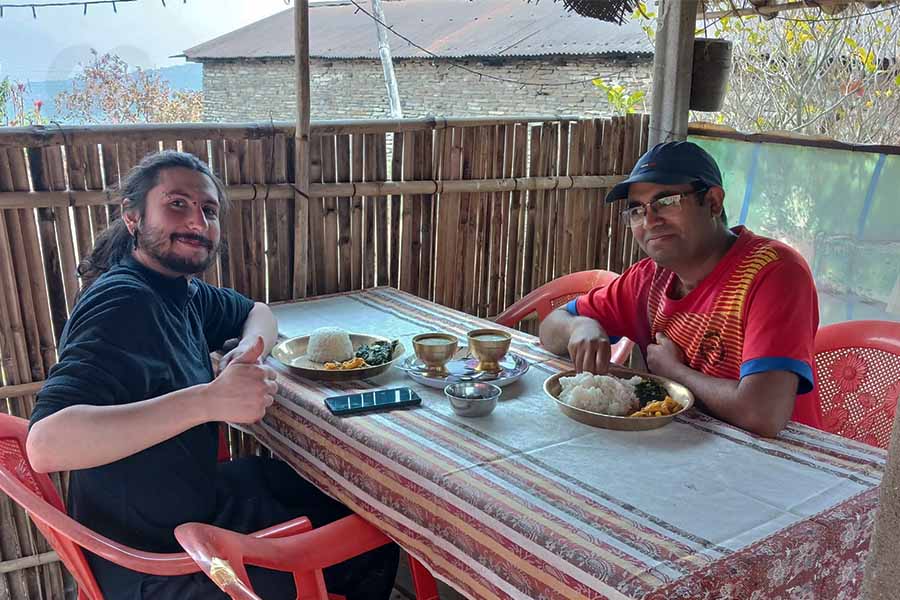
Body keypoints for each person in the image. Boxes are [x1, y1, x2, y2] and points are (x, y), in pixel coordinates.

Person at [26, 151, 398, 599]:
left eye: (209, 209)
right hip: (155, 562)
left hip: (194, 504)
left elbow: (257, 312)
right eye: (177, 204)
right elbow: (45, 445)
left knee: (351, 499)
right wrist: (208, 400)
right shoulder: (123, 305)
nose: (198, 222)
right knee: (378, 537)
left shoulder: (179, 290)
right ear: (132, 218)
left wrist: (248, 350)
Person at [539, 141, 821, 437]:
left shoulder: (773, 272)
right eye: (636, 210)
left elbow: (762, 414)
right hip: (686, 446)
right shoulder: (649, 279)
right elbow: (550, 327)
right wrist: (581, 326)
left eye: (668, 201)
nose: (650, 220)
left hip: (783, 462)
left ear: (713, 202)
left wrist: (674, 372)